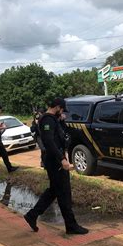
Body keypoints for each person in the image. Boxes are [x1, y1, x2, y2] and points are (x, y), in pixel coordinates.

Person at [24, 98, 88, 235]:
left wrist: (62, 120)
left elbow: (62, 134)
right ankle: (71, 226)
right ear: (58, 107)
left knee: (54, 191)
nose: (62, 112)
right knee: (64, 193)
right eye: (62, 110)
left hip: (55, 159)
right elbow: (49, 142)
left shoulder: (53, 119)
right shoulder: (47, 120)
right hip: (54, 161)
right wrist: (62, 159)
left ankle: (32, 215)